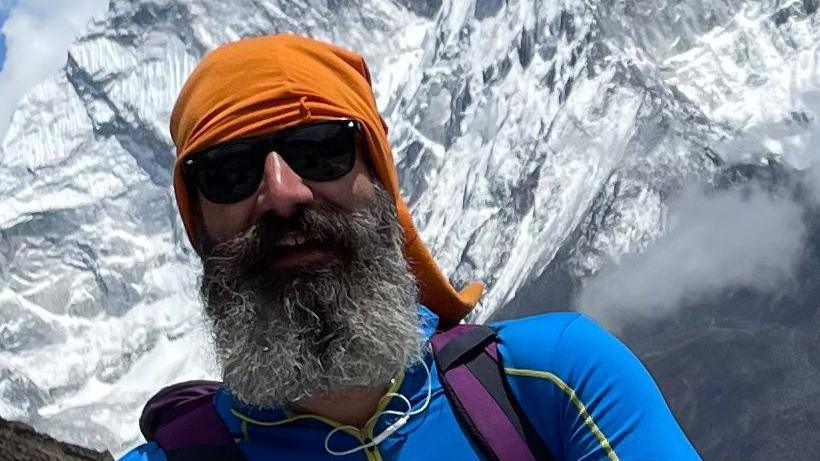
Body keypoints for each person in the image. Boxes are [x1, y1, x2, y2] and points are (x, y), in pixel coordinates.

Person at [120, 34, 701, 460]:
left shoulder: (558, 380)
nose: (281, 194)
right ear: (199, 227)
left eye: (321, 149)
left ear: (381, 187)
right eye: (228, 172)